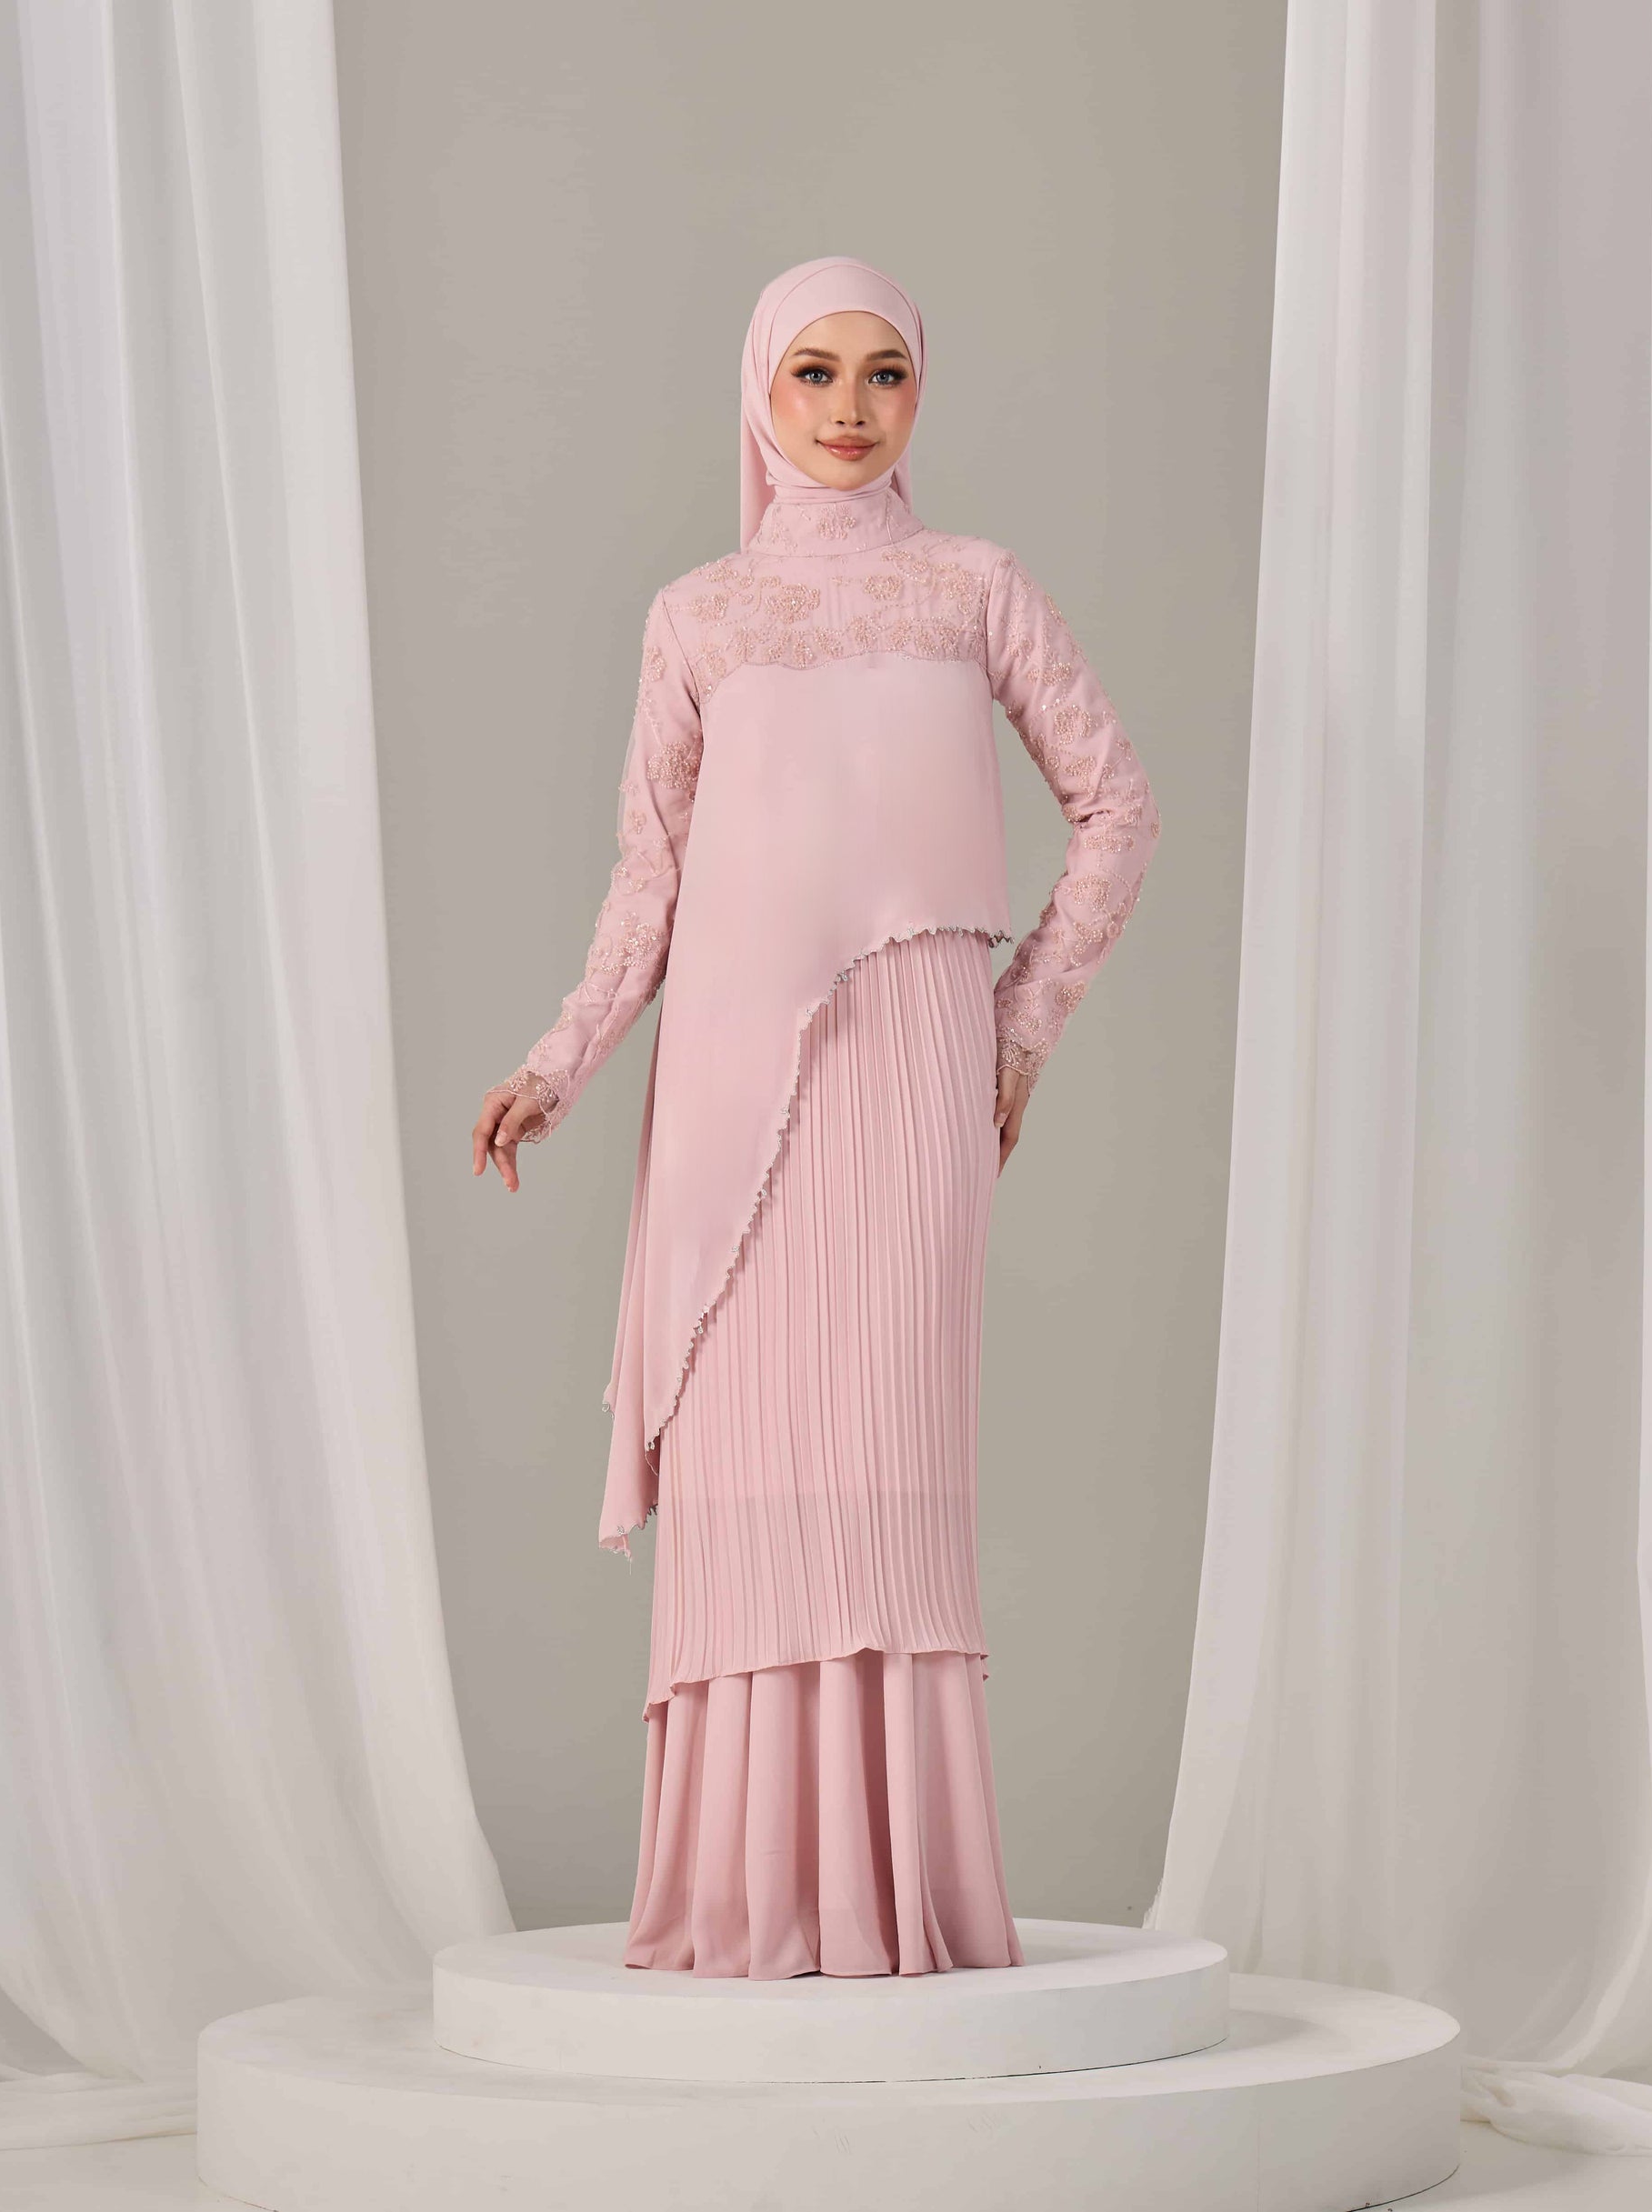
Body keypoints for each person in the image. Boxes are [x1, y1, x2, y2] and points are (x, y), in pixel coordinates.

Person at [471, 256, 1159, 1978]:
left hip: (913, 1065)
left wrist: (1022, 1020)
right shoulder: (697, 615)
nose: (848, 409)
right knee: (749, 1463)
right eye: (812, 373)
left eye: (882, 374)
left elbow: (1119, 806)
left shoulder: (973, 587)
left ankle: (890, 1891)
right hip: (726, 1080)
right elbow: (650, 878)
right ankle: (744, 1892)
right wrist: (557, 1061)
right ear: (760, 393)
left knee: (886, 1459)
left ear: (920, 391)